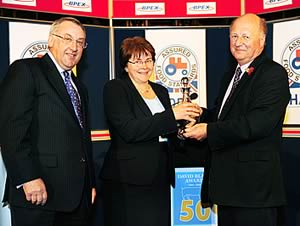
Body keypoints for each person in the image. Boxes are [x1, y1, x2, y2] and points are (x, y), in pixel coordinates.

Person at [184, 13, 290, 226]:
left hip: (254, 192)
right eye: (234, 36)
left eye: (245, 36)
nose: (238, 42)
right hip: (228, 189)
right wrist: (199, 113)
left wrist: (208, 130)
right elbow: (223, 117)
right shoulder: (230, 76)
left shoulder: (272, 74)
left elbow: (257, 123)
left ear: (262, 40)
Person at [0, 17, 96, 226]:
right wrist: (27, 178)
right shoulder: (26, 70)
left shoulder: (80, 87)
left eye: (80, 42)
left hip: (77, 199)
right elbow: (11, 129)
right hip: (38, 195)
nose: (74, 47)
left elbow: (82, 139)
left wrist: (90, 183)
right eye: (68, 38)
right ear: (51, 40)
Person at [100, 36, 200, 226]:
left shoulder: (160, 90)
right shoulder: (115, 88)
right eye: (137, 61)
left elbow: (163, 129)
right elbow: (130, 129)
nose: (144, 66)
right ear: (125, 65)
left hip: (160, 175)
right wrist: (172, 115)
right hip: (129, 179)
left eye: (148, 60)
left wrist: (183, 130)